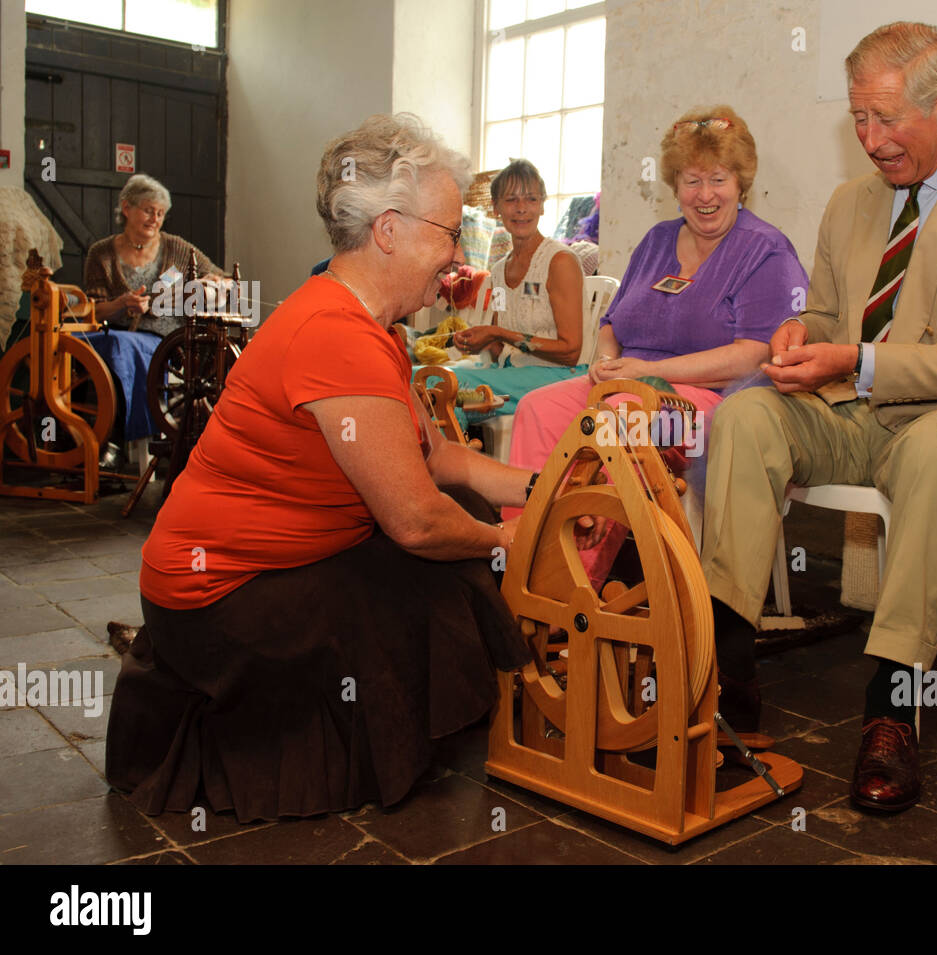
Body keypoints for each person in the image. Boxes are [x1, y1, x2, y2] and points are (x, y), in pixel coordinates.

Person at [105, 114, 589, 823]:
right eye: (450, 233)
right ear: (388, 229)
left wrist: (547, 488)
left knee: (471, 528)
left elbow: (441, 458)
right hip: (219, 600)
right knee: (450, 553)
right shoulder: (336, 334)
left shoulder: (370, 325)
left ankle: (440, 716)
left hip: (268, 563)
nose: (457, 255)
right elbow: (418, 520)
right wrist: (513, 541)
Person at [700, 23, 937, 812]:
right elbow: (832, 317)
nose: (869, 140)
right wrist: (803, 337)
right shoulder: (850, 203)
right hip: (852, 417)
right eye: (858, 120)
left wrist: (856, 360)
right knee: (746, 417)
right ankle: (727, 671)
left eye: (886, 119)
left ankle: (892, 702)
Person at [505, 105, 808, 510]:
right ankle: (529, 553)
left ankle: (581, 565)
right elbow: (614, 323)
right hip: (626, 386)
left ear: (740, 183)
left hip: (714, 409)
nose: (705, 195)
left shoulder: (765, 250)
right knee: (537, 408)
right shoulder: (656, 241)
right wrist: (607, 360)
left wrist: (647, 372)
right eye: (692, 181)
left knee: (620, 418)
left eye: (718, 179)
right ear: (675, 185)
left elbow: (754, 355)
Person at [449, 159, 587, 418]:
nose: (521, 209)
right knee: (424, 380)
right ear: (495, 208)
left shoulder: (559, 262)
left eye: (531, 199)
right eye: (511, 200)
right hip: (509, 376)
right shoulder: (499, 271)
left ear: (542, 205)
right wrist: (478, 343)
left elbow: (570, 351)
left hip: (552, 381)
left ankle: (458, 454)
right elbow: (499, 345)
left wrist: (497, 332)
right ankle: (464, 451)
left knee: (449, 389)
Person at [83, 173, 222, 339]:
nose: (154, 219)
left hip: (168, 345)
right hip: (116, 337)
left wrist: (210, 284)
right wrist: (122, 304)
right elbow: (94, 311)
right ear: (126, 208)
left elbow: (224, 278)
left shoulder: (177, 249)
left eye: (160, 213)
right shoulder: (101, 253)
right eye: (148, 211)